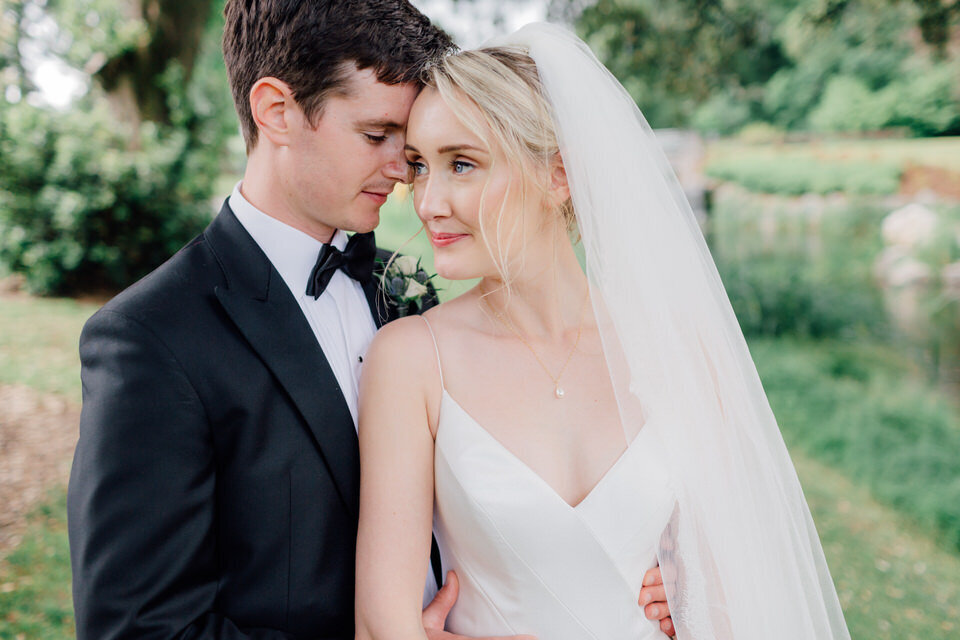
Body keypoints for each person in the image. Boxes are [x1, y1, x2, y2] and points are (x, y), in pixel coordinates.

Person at [66, 2, 674, 638]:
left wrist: (661, 581)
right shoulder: (152, 338)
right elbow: (134, 628)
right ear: (276, 110)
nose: (406, 179)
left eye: (414, 154)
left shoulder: (410, 294)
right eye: (379, 136)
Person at [354, 23, 851, 640]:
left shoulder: (677, 351)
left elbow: (742, 588)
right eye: (420, 168)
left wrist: (693, 600)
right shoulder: (412, 359)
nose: (428, 201)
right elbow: (381, 623)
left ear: (559, 174)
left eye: (462, 164)